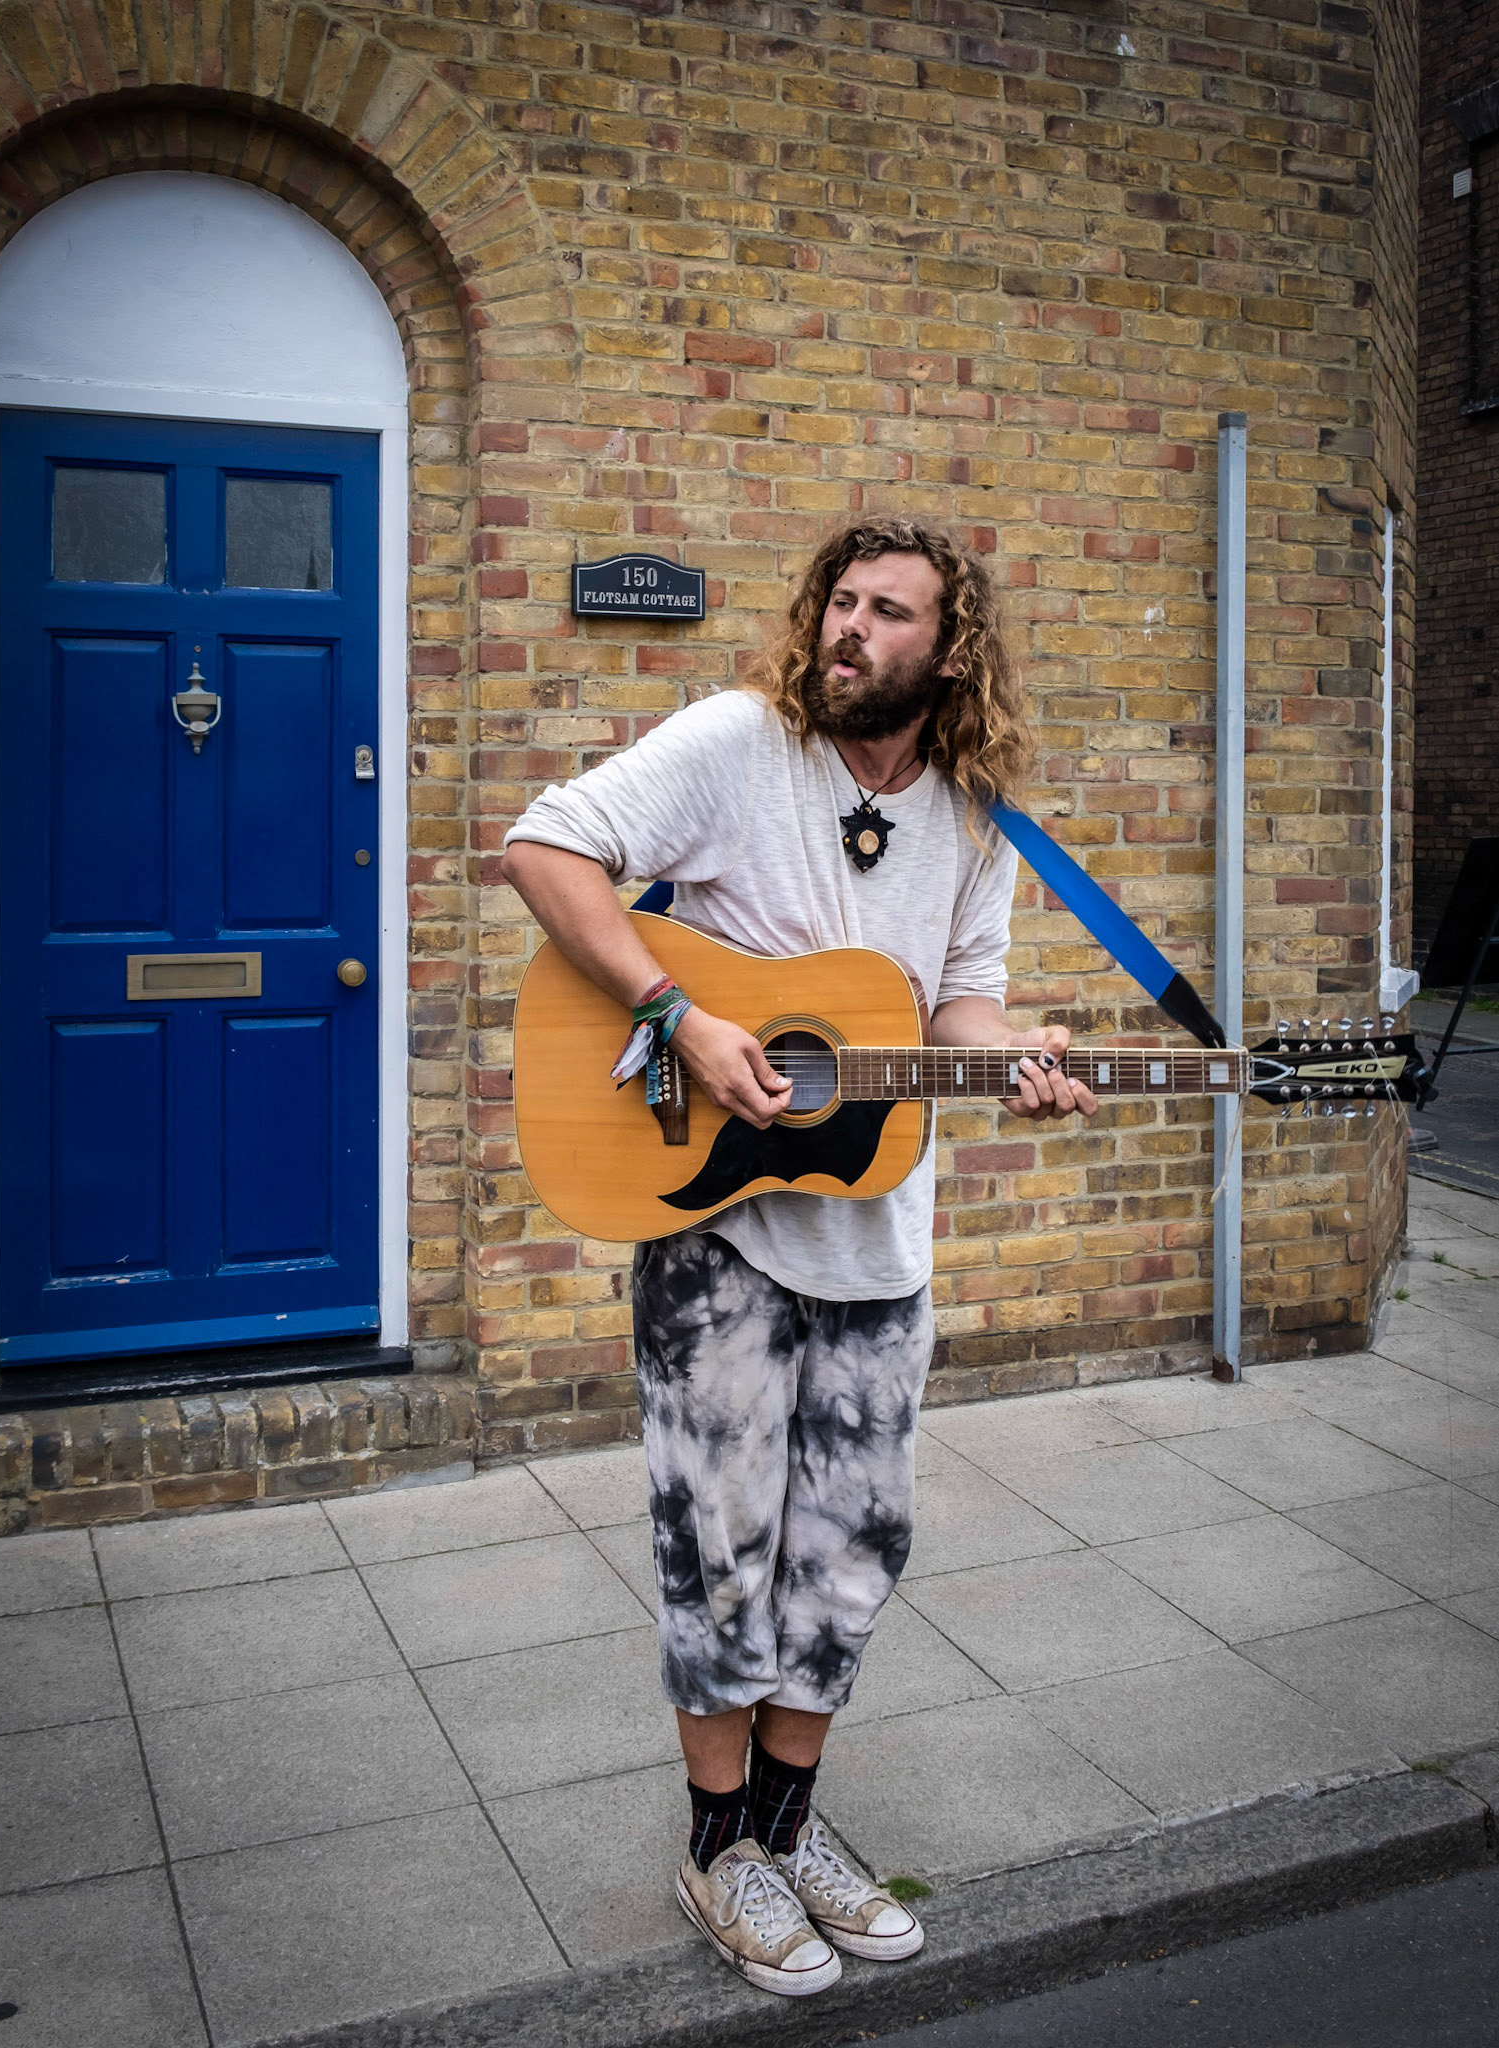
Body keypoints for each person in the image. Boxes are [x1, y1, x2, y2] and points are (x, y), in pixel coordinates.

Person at [500, 518, 1097, 1999]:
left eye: (885, 611)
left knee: (849, 1551)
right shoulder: (730, 746)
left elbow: (954, 1010)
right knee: (720, 1547)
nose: (847, 628)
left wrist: (1013, 1051)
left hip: (876, 1244)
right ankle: (718, 1852)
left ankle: (789, 1827)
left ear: (947, 650)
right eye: (837, 598)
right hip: (714, 1224)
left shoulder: (973, 817)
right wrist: (677, 1014)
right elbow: (542, 846)